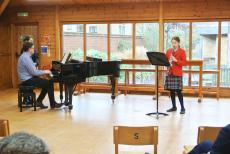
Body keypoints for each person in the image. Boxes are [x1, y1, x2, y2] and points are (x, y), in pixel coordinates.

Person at [17, 41, 62, 109]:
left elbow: (32, 70)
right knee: (49, 82)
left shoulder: (25, 56)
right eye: (33, 48)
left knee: (47, 82)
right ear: (29, 49)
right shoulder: (26, 58)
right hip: (27, 80)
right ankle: (52, 104)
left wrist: (41, 71)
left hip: (27, 78)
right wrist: (46, 71)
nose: (34, 50)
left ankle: (39, 101)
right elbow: (34, 72)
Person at [164, 36, 187, 114]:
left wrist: (176, 60)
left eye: (175, 43)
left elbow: (184, 63)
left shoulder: (182, 51)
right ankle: (174, 107)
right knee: (171, 91)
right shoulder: (168, 51)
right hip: (170, 72)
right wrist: (167, 63)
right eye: (172, 43)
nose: (174, 44)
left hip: (177, 73)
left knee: (179, 91)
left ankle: (183, 108)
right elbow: (165, 61)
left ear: (178, 43)